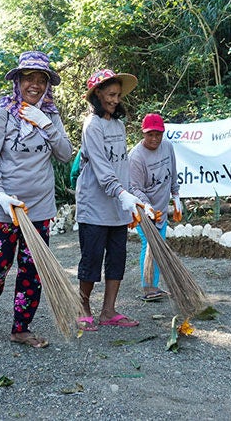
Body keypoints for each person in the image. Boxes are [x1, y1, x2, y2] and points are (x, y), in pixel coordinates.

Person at [0, 51, 73, 348]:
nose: (35, 85)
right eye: (29, 77)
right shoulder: (1, 112)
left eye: (42, 79)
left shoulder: (50, 114)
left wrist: (46, 124)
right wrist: (1, 196)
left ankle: (21, 327)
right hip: (4, 208)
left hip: (38, 209)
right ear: (18, 80)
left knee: (33, 270)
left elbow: (65, 155)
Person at [74, 69, 154, 331]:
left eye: (118, 95)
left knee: (117, 258)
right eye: (110, 94)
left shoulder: (118, 126)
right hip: (95, 205)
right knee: (92, 258)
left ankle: (108, 310)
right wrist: (122, 194)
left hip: (119, 206)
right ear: (97, 94)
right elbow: (101, 167)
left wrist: (137, 198)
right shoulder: (92, 126)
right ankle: (83, 305)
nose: (115, 100)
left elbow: (122, 166)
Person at [128, 113, 182, 301]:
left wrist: (176, 196)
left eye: (158, 134)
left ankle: (154, 286)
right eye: (150, 134)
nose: (154, 139)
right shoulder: (136, 157)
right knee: (150, 243)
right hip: (143, 208)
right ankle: (148, 288)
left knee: (160, 245)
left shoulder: (167, 147)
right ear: (143, 133)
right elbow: (134, 188)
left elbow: (173, 172)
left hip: (162, 208)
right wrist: (147, 207)